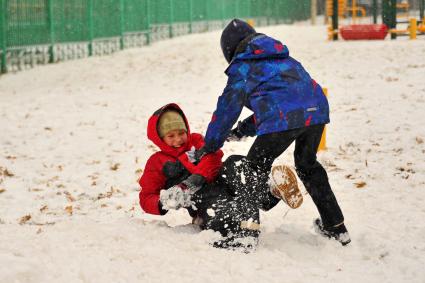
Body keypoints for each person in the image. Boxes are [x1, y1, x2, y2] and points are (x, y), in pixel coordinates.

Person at [194, 19, 351, 246]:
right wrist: (242, 130)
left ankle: (246, 231)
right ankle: (336, 227)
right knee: (308, 165)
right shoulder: (284, 59)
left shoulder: (243, 67)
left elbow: (227, 110)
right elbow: (280, 103)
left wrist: (210, 144)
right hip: (316, 110)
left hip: (286, 116)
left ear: (229, 51)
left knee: (249, 172)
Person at [139, 103, 265, 251]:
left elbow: (213, 157)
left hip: (223, 182)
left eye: (181, 133)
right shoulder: (157, 162)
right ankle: (249, 228)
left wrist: (196, 179)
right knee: (226, 210)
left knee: (236, 163)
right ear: (160, 138)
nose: (178, 139)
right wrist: (163, 202)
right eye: (171, 136)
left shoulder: (196, 141)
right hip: (202, 201)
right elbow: (146, 196)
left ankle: (266, 195)